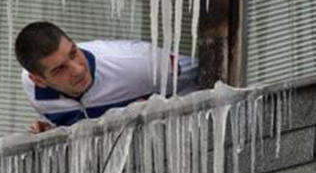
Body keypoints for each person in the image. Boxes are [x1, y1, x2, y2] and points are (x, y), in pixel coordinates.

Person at [15, 21, 199, 133]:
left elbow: (208, 75)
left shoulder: (140, 63)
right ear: (39, 80)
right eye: (59, 69)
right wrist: (55, 132)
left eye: (73, 53)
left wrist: (160, 108)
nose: (78, 70)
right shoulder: (33, 90)